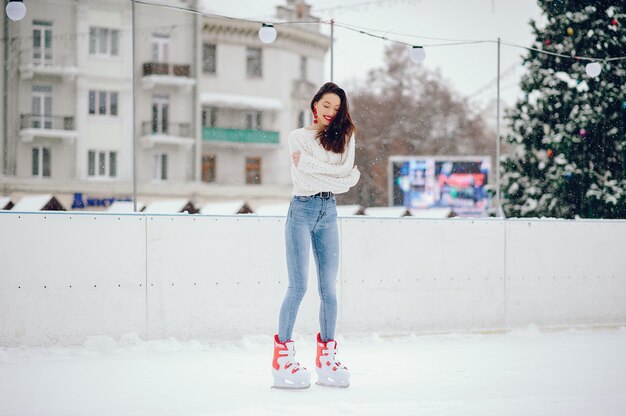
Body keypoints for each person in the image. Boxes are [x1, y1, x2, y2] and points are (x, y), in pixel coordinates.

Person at [271, 82, 360, 389]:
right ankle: (281, 358)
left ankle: (327, 359)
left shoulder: (345, 136)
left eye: (336, 109)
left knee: (329, 290)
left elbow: (348, 180)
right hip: (302, 209)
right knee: (298, 287)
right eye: (326, 106)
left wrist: (316, 167)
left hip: (329, 211)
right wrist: (334, 174)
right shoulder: (297, 136)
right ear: (315, 105)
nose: (330, 113)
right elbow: (310, 176)